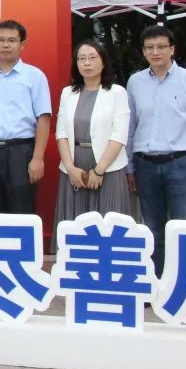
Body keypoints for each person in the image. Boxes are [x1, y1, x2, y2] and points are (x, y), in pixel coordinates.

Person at [126, 24, 186, 275]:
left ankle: (183, 281)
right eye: (150, 48)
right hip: (145, 164)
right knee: (152, 228)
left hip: (181, 164)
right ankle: (157, 281)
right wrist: (130, 167)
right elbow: (131, 127)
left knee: (182, 227)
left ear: (172, 49)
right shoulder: (135, 82)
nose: (156, 52)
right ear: (143, 51)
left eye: (161, 47)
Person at [53, 40, 132, 236]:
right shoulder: (68, 93)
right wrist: (70, 168)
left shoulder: (117, 93)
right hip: (74, 166)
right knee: (76, 226)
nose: (86, 63)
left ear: (103, 62)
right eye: (81, 59)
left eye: (92, 58)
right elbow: (61, 133)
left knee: (108, 225)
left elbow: (119, 135)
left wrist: (99, 170)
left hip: (108, 167)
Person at [0, 20, 51, 214]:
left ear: (22, 44)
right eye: (1, 40)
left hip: (21, 152)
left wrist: (38, 158)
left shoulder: (35, 76)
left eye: (11, 40)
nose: (5, 45)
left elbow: (43, 119)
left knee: (22, 212)